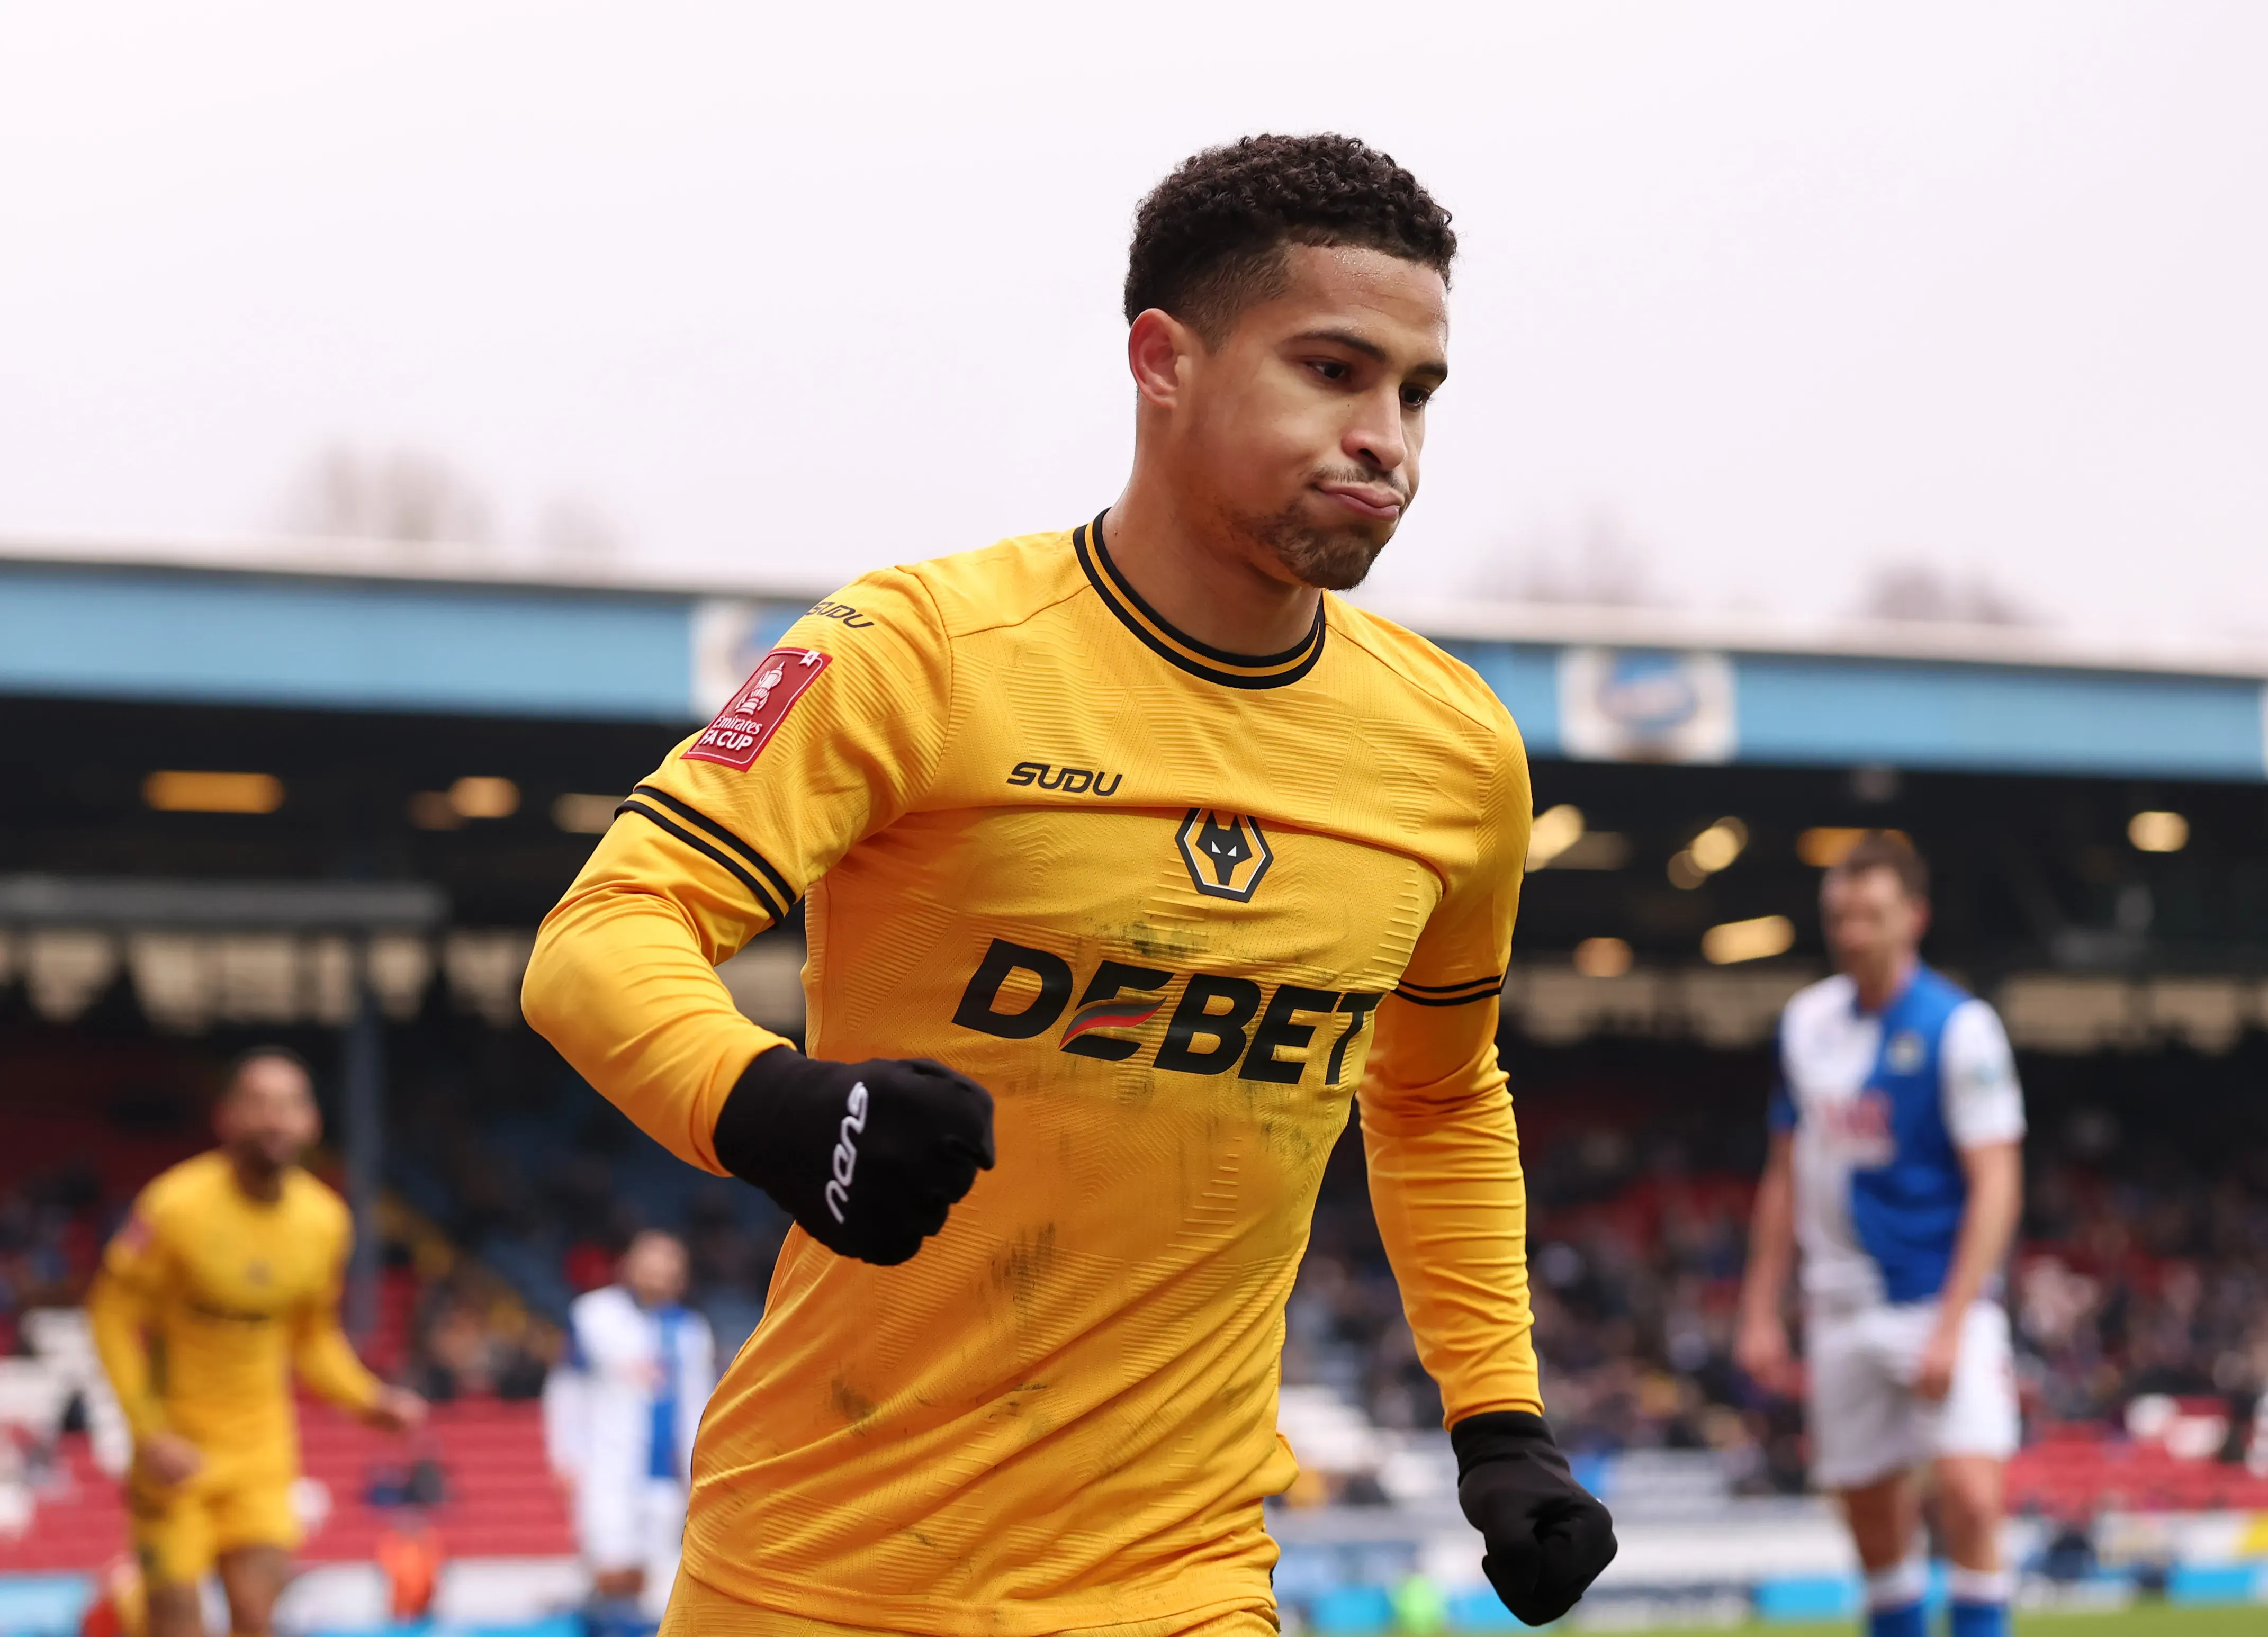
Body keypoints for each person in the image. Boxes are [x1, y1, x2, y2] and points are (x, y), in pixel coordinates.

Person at [521, 133, 1615, 1635]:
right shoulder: (915, 649)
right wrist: (773, 1104)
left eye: (1415, 391)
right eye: (1332, 370)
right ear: (1160, 360)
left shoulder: (1452, 753)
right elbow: (603, 931)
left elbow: (1433, 1095)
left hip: (1182, 1583)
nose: (1387, 437)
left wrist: (1500, 1421)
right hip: (817, 1571)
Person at [1735, 834, 2026, 1637]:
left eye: (1870, 913)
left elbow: (1996, 1180)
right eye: (1839, 914)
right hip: (1837, 1304)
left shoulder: (1962, 1030)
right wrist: (1761, 1306)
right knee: (1869, 1518)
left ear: (1914, 917)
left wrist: (1953, 1321)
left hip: (1939, 1298)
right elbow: (1784, 1170)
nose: (1851, 930)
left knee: (1970, 1496)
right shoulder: (1806, 1022)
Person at [86, 1047, 427, 1637]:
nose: (275, 1119)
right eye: (259, 1103)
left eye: (291, 1104)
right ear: (227, 1116)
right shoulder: (174, 1205)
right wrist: (149, 1431)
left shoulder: (325, 1221)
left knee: (257, 1616)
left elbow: (314, 1337)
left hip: (262, 1455)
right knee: (176, 1623)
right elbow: (110, 1316)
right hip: (174, 1454)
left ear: (312, 1122)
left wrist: (369, 1399)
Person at [545, 1230, 714, 1623]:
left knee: (659, 1582)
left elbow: (700, 1404)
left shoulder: (692, 1331)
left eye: (667, 1268)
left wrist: (698, 1470)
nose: (657, 1275)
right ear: (628, 1265)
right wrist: (564, 1455)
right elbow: (565, 1389)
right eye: (650, 1264)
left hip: (665, 1476)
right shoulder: (593, 1315)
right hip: (607, 1468)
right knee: (610, 1569)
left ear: (681, 1278)